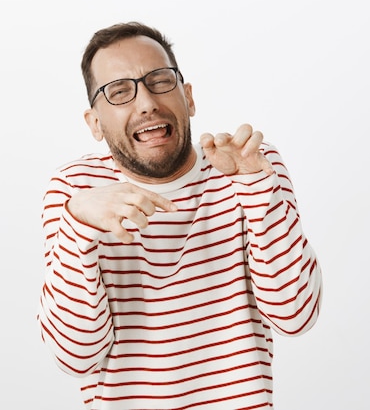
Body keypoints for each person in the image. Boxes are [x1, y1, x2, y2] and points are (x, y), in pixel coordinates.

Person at [37, 21, 322, 410]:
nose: (146, 103)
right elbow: (76, 357)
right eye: (119, 91)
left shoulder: (250, 164)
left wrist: (255, 186)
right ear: (95, 123)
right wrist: (77, 226)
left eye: (159, 80)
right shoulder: (75, 191)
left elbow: (296, 315)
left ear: (188, 98)